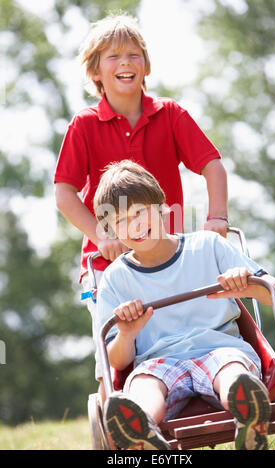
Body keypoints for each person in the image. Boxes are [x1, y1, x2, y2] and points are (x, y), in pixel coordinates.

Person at [53, 13, 228, 381]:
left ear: (145, 65)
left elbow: (212, 164)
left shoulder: (170, 114)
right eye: (113, 57)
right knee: (117, 348)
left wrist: (218, 218)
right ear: (96, 72)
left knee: (197, 326)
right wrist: (103, 237)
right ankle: (120, 404)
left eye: (133, 55)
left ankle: (216, 377)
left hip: (170, 254)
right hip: (109, 261)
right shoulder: (84, 125)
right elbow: (64, 193)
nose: (126, 63)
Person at [93, 160, 275, 451]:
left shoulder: (207, 246)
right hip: (158, 361)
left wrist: (245, 284)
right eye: (120, 221)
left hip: (219, 348)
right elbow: (116, 362)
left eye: (139, 213)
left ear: (162, 208)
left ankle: (248, 408)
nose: (134, 226)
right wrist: (127, 334)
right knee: (145, 383)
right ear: (111, 231)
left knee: (230, 368)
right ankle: (140, 430)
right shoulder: (115, 278)